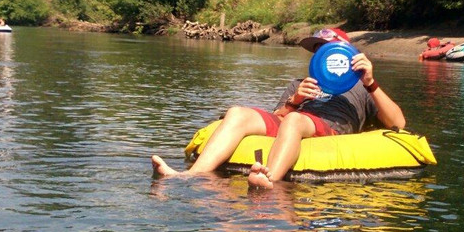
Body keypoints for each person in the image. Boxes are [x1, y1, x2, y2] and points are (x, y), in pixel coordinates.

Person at [151, 28, 406, 189]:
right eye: (316, 49)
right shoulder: (300, 83)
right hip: (295, 119)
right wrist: (294, 100)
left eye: (325, 49)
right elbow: (276, 119)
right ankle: (190, 176)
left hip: (328, 128)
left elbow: (398, 124)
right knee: (238, 112)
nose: (318, 53)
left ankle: (268, 180)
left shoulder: (361, 86)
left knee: (295, 121)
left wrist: (371, 83)